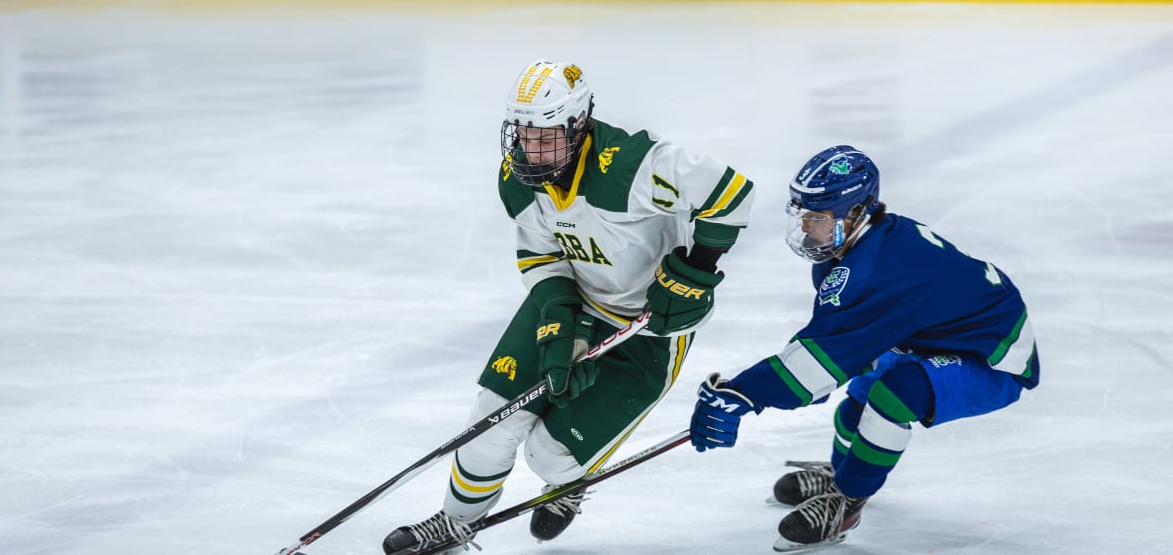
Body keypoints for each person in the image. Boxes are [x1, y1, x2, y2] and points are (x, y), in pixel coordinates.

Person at [382, 59, 755, 554]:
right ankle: (454, 522)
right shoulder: (518, 178)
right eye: (523, 134)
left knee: (551, 455)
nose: (530, 149)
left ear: (578, 124)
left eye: (545, 136)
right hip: (576, 301)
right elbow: (541, 254)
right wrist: (560, 320)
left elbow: (730, 192)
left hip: (648, 328)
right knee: (490, 420)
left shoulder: (632, 165)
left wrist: (694, 273)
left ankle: (569, 482)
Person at [688, 146, 1040, 552]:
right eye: (802, 213)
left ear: (856, 213)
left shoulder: (876, 274)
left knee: (896, 394)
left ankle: (848, 500)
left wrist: (744, 393)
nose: (805, 226)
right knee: (858, 401)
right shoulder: (857, 248)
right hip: (934, 335)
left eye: (818, 217)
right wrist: (766, 386)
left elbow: (817, 366)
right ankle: (844, 475)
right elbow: (829, 345)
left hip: (992, 356)